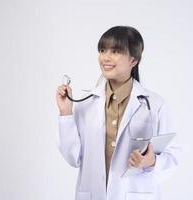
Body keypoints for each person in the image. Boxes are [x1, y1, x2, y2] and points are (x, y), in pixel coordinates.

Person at [56, 26, 181, 200]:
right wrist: (66, 112)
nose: (105, 57)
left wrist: (151, 161)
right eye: (102, 50)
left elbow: (172, 156)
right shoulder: (86, 104)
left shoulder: (155, 104)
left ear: (133, 60)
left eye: (115, 51)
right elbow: (73, 158)